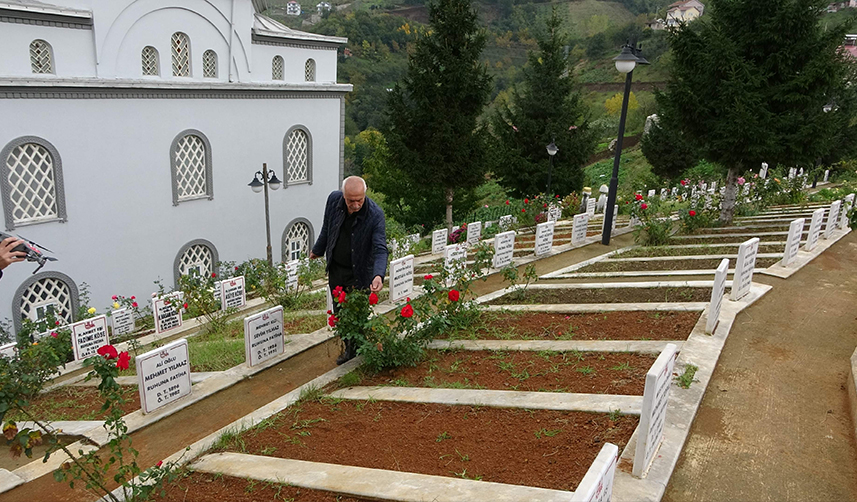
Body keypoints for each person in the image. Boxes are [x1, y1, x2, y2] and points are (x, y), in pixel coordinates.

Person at [310, 176, 387, 364]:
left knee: (356, 312)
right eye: (351, 200)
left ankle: (356, 351)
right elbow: (327, 228)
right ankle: (348, 348)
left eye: (359, 199)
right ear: (343, 196)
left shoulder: (375, 214)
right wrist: (317, 250)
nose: (355, 204)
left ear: (364, 195)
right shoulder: (333, 200)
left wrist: (378, 274)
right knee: (339, 312)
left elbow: (380, 248)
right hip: (337, 269)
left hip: (359, 272)